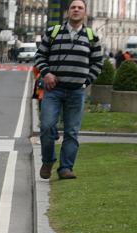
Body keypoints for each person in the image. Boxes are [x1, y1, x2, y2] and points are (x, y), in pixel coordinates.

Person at [35, 0, 102, 180]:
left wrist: (86, 81)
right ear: (67, 12)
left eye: (80, 8)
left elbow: (98, 63)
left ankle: (65, 168)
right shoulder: (53, 32)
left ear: (85, 13)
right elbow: (40, 56)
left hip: (76, 92)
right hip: (53, 90)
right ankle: (48, 161)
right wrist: (47, 73)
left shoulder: (91, 36)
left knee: (72, 132)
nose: (76, 10)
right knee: (47, 127)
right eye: (73, 7)